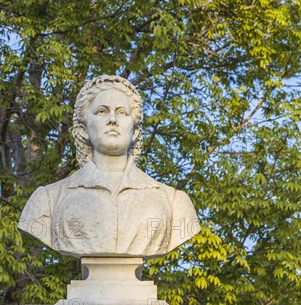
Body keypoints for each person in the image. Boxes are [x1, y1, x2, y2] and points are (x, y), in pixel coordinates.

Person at [18, 75, 200, 259]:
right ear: (83, 129)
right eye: (102, 111)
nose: (112, 119)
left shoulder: (174, 203)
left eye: (121, 112)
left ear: (135, 131)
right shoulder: (48, 200)